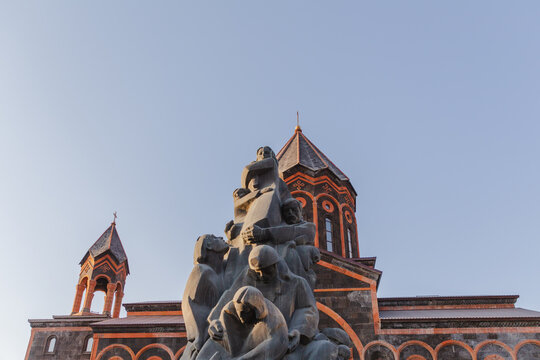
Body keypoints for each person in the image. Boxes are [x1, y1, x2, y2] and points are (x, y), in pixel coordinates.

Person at [207, 245, 319, 355]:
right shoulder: (246, 280)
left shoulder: (297, 283)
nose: (262, 275)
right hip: (248, 340)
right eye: (258, 272)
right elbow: (228, 298)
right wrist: (215, 322)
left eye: (266, 270)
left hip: (281, 337)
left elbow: (307, 309)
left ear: (276, 265)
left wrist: (297, 330)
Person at [196, 286, 288, 360]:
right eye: (238, 311)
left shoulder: (273, 317)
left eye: (245, 312)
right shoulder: (228, 311)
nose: (240, 316)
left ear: (256, 310)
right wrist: (215, 326)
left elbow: (276, 344)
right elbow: (221, 338)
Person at [181, 235, 229, 360]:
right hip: (206, 337)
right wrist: (203, 331)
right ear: (208, 245)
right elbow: (190, 304)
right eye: (215, 238)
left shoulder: (223, 271)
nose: (221, 237)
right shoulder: (201, 270)